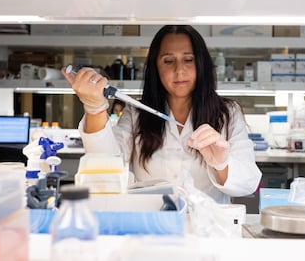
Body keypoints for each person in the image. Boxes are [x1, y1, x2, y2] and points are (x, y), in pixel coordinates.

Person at [62, 25, 261, 204]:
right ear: (156, 68)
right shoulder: (137, 113)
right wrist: (95, 108)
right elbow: (104, 164)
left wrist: (221, 164)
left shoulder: (228, 113)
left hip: (208, 231)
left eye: (188, 59)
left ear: (202, 64)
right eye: (168, 61)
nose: (179, 70)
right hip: (150, 227)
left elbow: (248, 183)